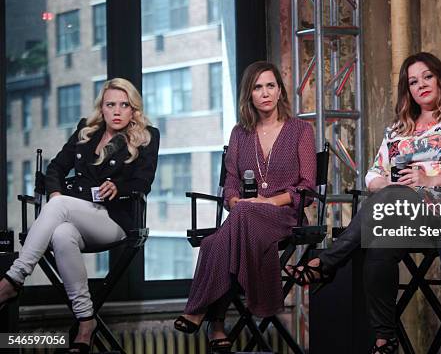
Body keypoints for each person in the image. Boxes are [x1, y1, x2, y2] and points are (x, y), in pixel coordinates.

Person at [287, 52, 441, 354]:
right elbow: (373, 177)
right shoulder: (399, 130)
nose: (421, 85)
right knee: (379, 240)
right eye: (413, 81)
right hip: (401, 214)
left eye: (427, 76)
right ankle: (385, 341)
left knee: (386, 210)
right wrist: (394, 186)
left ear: (440, 78)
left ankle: (328, 262)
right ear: (407, 90)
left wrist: (428, 180)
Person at [0, 78, 160, 353]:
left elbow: (143, 183)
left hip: (116, 220)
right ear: (103, 108)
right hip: (78, 215)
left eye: (125, 105)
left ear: (134, 110)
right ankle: (86, 321)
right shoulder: (86, 131)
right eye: (111, 105)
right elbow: (55, 169)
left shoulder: (147, 136)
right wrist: (54, 194)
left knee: (59, 207)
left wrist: (119, 187)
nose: (118, 111)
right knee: (61, 233)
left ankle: (13, 280)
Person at [173, 61, 316, 352]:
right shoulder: (240, 133)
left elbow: (307, 186)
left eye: (270, 86)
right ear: (249, 94)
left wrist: (267, 201)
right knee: (215, 241)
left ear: (280, 91)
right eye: (257, 87)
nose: (264, 93)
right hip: (244, 218)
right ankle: (214, 321)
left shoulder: (301, 129)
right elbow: (231, 182)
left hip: (283, 215)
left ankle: (205, 313)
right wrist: (235, 200)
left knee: (221, 237)